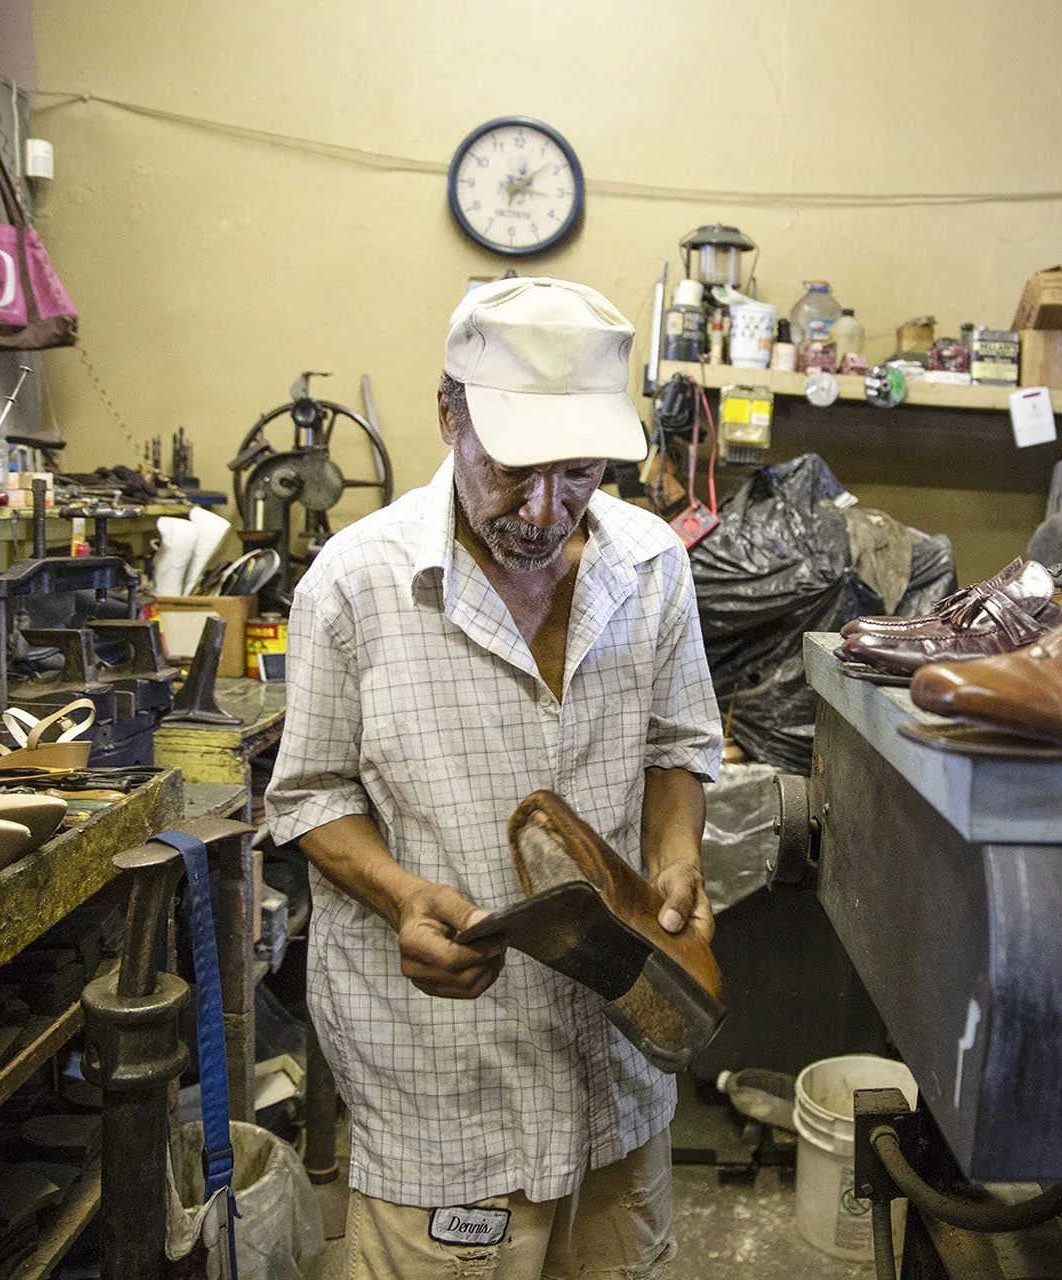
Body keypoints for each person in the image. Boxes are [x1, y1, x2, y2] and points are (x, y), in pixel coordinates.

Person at [265, 276, 723, 1279]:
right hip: (444, 1083)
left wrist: (676, 849)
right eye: (515, 469)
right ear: (448, 415)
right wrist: (402, 896)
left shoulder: (651, 565)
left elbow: (682, 742)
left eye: (581, 472)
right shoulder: (354, 584)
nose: (545, 508)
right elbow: (308, 796)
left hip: (616, 1067)